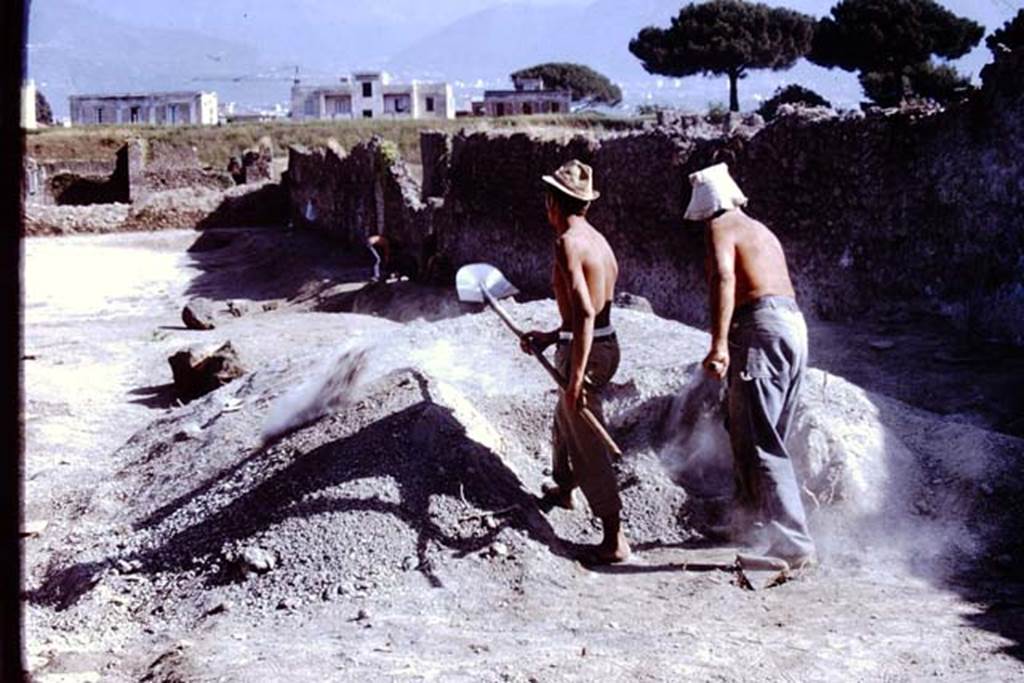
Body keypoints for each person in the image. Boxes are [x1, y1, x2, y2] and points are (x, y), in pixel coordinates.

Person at [686, 162, 817, 570]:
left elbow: (724, 278)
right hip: (791, 326)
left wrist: (719, 343)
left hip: (758, 327)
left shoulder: (719, 228)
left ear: (706, 205)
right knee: (748, 427)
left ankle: (793, 541)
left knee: (760, 438)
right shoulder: (760, 229)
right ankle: (748, 519)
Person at [521, 159, 630, 565]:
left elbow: (585, 312)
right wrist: (550, 338)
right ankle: (564, 488)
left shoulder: (567, 242)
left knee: (583, 434)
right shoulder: (597, 240)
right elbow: (587, 315)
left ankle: (614, 538)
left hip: (589, 349)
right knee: (563, 420)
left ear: (553, 202)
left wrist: (577, 378)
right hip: (600, 341)